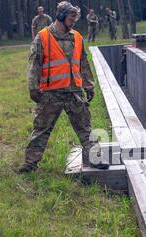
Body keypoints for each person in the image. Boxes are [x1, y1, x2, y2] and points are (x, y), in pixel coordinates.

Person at [19, 1, 109, 173]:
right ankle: (30, 164)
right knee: (41, 131)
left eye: (76, 17)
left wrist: (89, 85)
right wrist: (33, 87)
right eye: (71, 17)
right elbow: (34, 64)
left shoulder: (77, 37)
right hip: (50, 94)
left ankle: (95, 159)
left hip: (74, 92)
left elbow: (83, 64)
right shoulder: (43, 37)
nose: (74, 21)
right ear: (60, 16)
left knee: (85, 129)